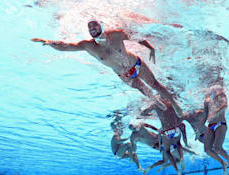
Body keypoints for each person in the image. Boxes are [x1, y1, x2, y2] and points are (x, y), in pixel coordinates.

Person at [31, 19, 182, 116]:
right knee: (143, 89)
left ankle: (174, 104)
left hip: (136, 64)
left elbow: (137, 37)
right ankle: (155, 100)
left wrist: (150, 48)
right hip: (123, 75)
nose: (92, 28)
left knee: (156, 84)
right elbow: (66, 47)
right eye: (89, 27)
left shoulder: (116, 35)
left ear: (101, 26)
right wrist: (49, 42)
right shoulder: (88, 46)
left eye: (94, 24)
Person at [140, 99, 184, 175]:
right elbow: (181, 114)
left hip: (166, 134)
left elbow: (142, 113)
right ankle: (181, 159)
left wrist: (150, 115)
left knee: (167, 153)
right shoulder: (171, 101)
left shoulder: (154, 104)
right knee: (177, 145)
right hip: (174, 130)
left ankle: (177, 169)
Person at [196, 85, 229, 175]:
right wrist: (198, 129)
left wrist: (215, 113)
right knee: (207, 150)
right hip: (210, 125)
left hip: (220, 124)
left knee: (218, 148)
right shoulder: (207, 100)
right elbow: (205, 116)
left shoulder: (220, 94)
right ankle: (222, 163)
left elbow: (225, 105)